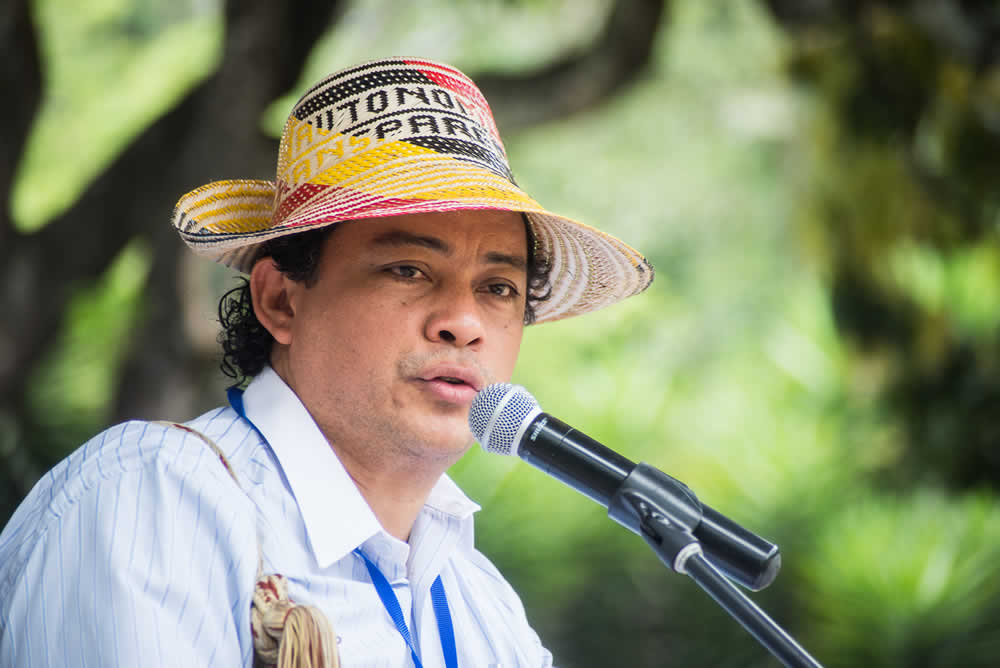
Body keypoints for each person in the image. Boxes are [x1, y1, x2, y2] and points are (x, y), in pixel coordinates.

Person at [0, 57, 652, 667]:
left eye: (498, 288)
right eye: (409, 269)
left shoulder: (483, 605)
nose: (465, 322)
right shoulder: (158, 500)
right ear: (281, 300)